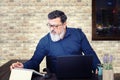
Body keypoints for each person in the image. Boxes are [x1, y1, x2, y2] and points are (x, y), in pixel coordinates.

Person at [10, 10, 100, 74]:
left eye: (56, 26)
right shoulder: (44, 41)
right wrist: (23, 66)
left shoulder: (78, 34)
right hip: (55, 77)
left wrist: (98, 67)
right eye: (50, 25)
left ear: (64, 24)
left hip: (79, 75)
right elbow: (35, 61)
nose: (52, 29)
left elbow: (89, 52)